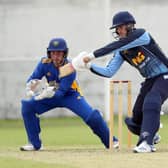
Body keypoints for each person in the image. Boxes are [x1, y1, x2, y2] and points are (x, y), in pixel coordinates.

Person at [71, 11, 168, 153]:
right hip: (150, 80)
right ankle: (151, 133)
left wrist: (90, 57)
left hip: (165, 75)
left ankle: (146, 143)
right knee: (134, 122)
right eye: (117, 28)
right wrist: (88, 67)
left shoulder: (141, 35)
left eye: (120, 27)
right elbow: (109, 71)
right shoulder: (122, 51)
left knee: (151, 101)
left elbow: (117, 45)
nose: (118, 31)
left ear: (130, 26)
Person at [20, 37, 119, 151]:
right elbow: (34, 78)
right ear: (49, 53)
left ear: (64, 54)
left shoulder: (70, 67)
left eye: (59, 53)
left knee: (93, 117)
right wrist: (30, 85)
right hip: (50, 93)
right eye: (53, 53)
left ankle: (112, 141)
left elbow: (61, 92)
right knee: (27, 106)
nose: (56, 57)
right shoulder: (44, 63)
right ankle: (34, 144)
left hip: (70, 95)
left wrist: (44, 94)